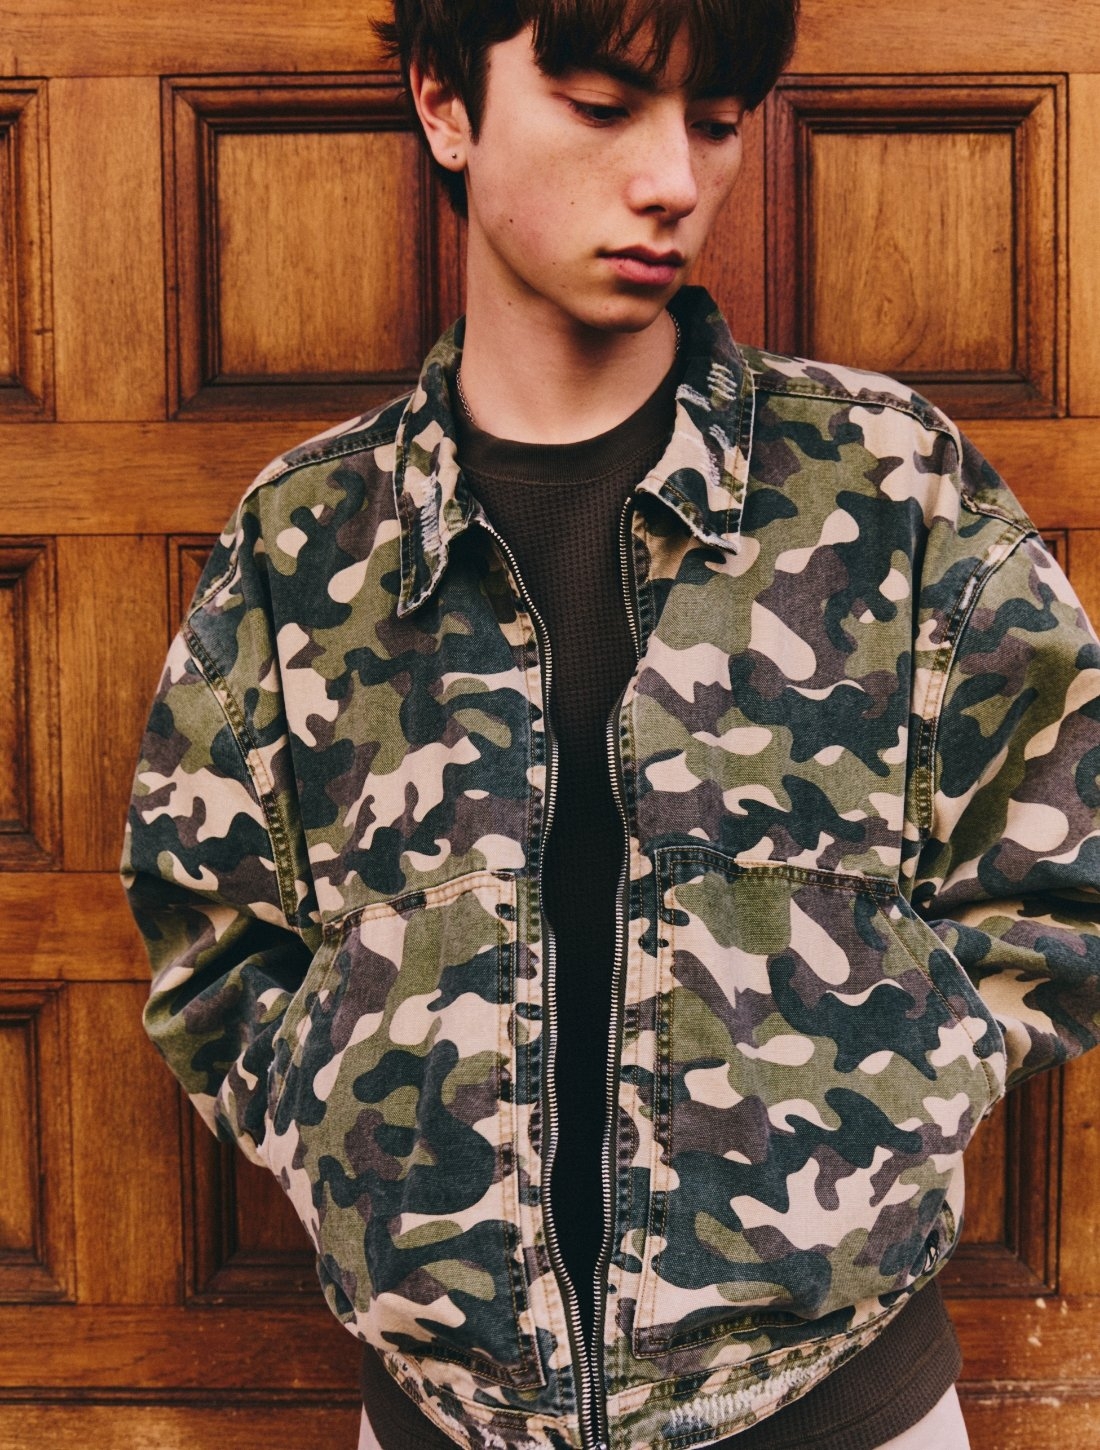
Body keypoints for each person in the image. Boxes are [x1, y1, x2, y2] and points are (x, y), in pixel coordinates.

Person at [121, 2, 1100, 1447]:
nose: (674, 181)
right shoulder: (307, 542)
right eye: (602, 106)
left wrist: (888, 1097)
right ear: (444, 102)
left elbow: (1062, 861)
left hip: (841, 1409)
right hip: (441, 1420)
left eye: (715, 124)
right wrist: (352, 1152)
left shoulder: (890, 488)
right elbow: (210, 938)